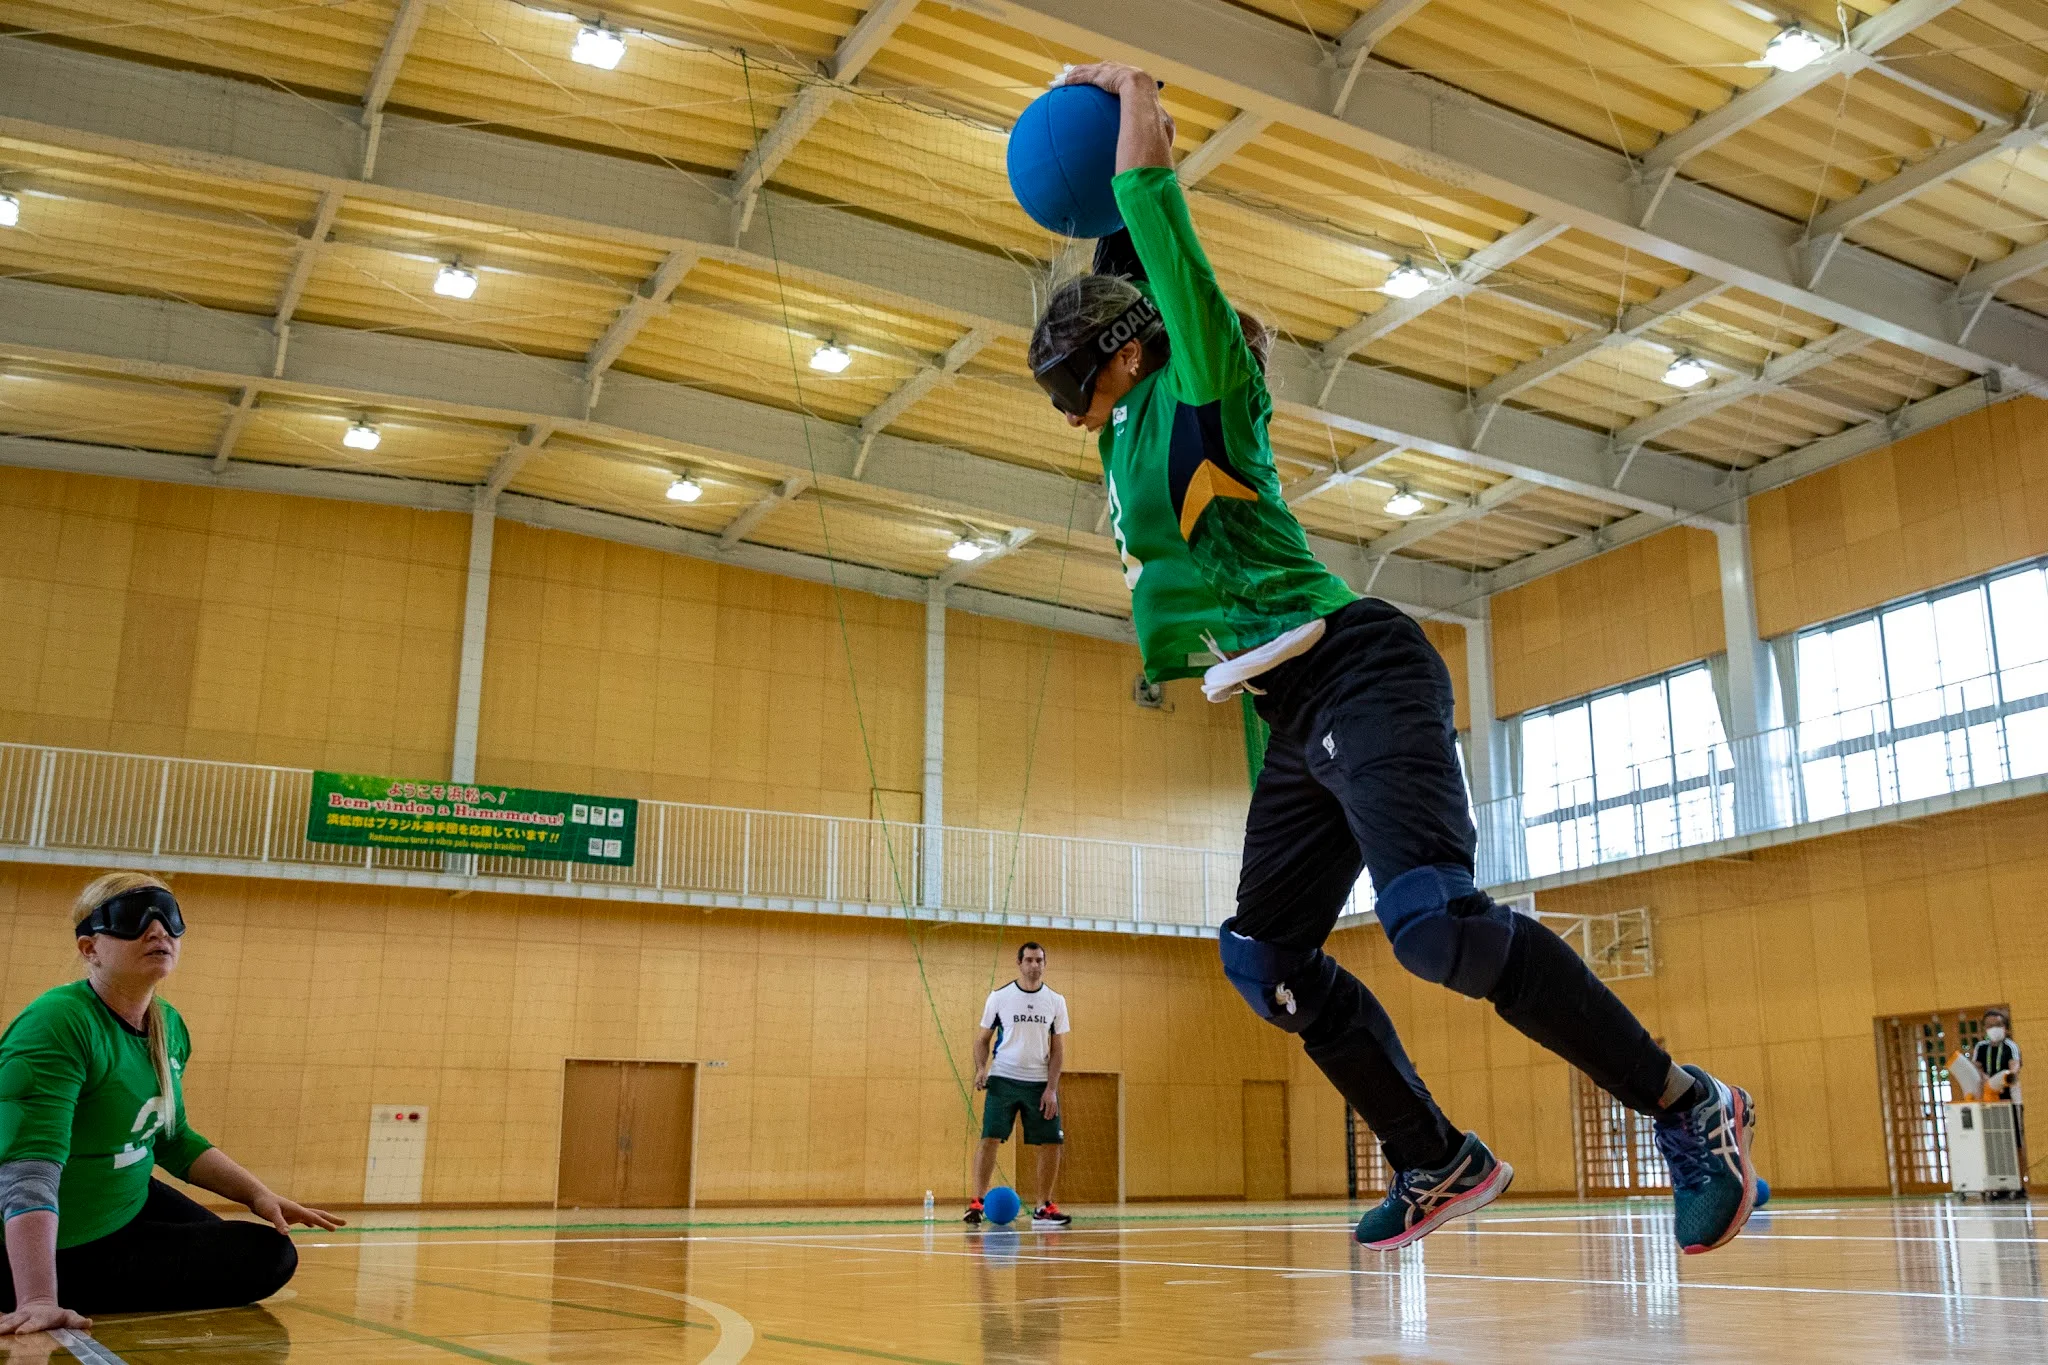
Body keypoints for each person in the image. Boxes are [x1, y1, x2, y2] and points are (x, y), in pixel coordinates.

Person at [1025, 62, 1759, 1254]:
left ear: (1124, 352)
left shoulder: (1202, 380)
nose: (1058, 391)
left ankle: (1686, 1108)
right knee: (1260, 958)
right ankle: (1436, 1158)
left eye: (1070, 370)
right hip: (1284, 714)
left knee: (1434, 930)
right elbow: (1121, 237)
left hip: (1358, 669)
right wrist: (1099, 180)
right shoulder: (1121, 435)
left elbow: (1153, 217)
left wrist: (1131, 89)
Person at [1, 873, 343, 1334]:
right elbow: (27, 1168)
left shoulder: (169, 1026)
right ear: (90, 948)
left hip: (126, 1196)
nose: (158, 930)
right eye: (131, 918)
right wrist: (38, 1299)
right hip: (64, 1229)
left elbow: (174, 1139)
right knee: (264, 1260)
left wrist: (259, 1194)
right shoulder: (57, 1023)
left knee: (261, 1247)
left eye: (169, 917)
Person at [964, 943, 1072, 1228]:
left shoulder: (1055, 1001)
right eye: (1029, 960)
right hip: (1003, 1078)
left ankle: (1043, 1207)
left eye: (1039, 960)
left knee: (1051, 1142)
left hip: (1039, 1083)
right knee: (990, 1137)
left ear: (1044, 964)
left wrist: (1051, 1088)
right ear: (1019, 963)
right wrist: (980, 1068)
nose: (1034, 965)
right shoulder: (1000, 997)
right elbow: (981, 1039)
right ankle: (977, 1202)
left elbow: (1058, 1049)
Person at [1973, 1009, 2025, 1198]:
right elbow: (1977, 1067)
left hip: (2010, 1099)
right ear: (1984, 1029)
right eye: (1990, 1026)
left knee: (2015, 1141)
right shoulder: (1981, 1048)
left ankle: (2019, 1184)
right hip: (1988, 1100)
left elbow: (2014, 1066)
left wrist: (2002, 1078)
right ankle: (1996, 1185)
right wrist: (1986, 1079)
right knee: (1993, 1141)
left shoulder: (2011, 1046)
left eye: (1998, 1025)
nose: (1994, 1029)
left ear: (2005, 1028)